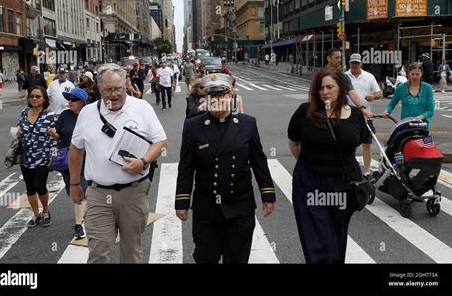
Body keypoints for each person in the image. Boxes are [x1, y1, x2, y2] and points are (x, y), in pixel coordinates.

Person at [69, 64, 168, 263]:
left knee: (132, 254)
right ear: (99, 89)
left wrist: (143, 161)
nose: (113, 94)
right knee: (98, 253)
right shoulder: (87, 113)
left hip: (133, 192)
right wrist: (74, 184)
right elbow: (75, 149)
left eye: (118, 89)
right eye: (107, 90)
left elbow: (161, 142)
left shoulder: (142, 108)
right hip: (98, 194)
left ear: (126, 85)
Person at [175, 73, 275, 264]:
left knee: (237, 258)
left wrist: (268, 194)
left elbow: (259, 162)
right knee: (205, 256)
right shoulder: (192, 126)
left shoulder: (247, 123)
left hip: (240, 206)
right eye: (212, 97)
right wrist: (181, 201)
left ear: (231, 96)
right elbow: (186, 166)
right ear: (206, 98)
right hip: (206, 208)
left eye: (222, 96)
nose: (217, 100)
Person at [288, 67, 365, 264]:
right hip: (310, 183)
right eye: (321, 88)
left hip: (344, 183)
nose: (325, 91)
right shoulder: (304, 112)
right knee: (319, 242)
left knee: (336, 236)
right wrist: (312, 165)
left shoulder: (356, 115)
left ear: (341, 88)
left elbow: (360, 144)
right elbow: (294, 144)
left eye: (330, 86)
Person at [48, 88, 89, 239]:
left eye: (73, 100)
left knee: (81, 191)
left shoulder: (90, 116)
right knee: (72, 191)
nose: (69, 102)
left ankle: (79, 225)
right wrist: (54, 134)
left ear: (82, 103)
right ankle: (85, 209)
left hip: (86, 159)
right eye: (68, 99)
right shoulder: (65, 115)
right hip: (67, 160)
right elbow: (58, 136)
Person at [16, 86, 56, 228]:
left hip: (43, 156)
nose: (34, 98)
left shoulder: (50, 115)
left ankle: (45, 210)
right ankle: (36, 214)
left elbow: (57, 138)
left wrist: (54, 136)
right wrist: (17, 133)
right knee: (30, 188)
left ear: (44, 99)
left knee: (40, 185)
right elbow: (17, 130)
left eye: (38, 96)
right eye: (32, 96)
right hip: (25, 156)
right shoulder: (24, 113)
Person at [345, 53, 382, 178]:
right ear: (349, 63)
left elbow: (379, 93)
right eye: (352, 63)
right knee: (351, 145)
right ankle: (350, 169)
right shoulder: (345, 76)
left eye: (357, 63)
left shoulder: (369, 77)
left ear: (361, 64)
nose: (354, 65)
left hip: (366, 116)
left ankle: (367, 172)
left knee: (367, 144)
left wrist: (372, 97)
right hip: (349, 116)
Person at [309, 48, 373, 119]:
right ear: (328, 58)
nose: (339, 60)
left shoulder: (343, 76)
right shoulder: (319, 75)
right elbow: (312, 95)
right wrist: (310, 110)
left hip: (338, 114)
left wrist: (362, 108)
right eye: (336, 57)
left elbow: (352, 93)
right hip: (321, 113)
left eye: (340, 57)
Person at [382, 62, 435, 129]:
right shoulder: (401, 88)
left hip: (422, 126)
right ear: (408, 74)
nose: (415, 77)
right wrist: (387, 111)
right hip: (406, 126)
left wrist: (419, 117)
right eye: (412, 74)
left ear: (421, 73)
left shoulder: (428, 88)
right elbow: (391, 104)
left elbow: (430, 110)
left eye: (417, 74)